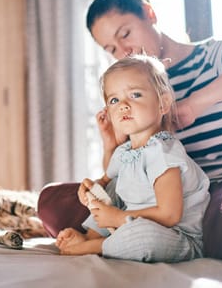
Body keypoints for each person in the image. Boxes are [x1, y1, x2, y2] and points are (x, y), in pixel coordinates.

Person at [37, 0, 222, 265]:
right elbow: (119, 176)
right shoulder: (124, 88)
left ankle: (185, 236)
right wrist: (110, 145)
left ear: (149, 13)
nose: (124, 51)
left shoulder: (213, 58)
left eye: (125, 34)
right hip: (145, 201)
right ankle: (151, 238)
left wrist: (195, 104)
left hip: (217, 187)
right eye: (111, 48)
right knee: (51, 202)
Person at [56, 55, 210, 262]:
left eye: (135, 94)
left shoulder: (163, 152)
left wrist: (118, 218)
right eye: (114, 100)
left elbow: (170, 215)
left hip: (174, 235)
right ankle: (89, 236)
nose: (123, 105)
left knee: (144, 238)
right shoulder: (124, 151)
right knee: (114, 186)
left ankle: (96, 246)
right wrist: (91, 188)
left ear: (163, 103)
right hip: (130, 221)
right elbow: (106, 182)